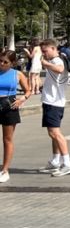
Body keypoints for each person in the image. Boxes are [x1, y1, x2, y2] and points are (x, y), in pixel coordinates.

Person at [38, 39, 70, 177]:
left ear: (53, 48)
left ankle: (67, 164)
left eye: (45, 51)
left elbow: (60, 70)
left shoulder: (57, 61)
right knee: (52, 133)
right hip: (52, 101)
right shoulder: (55, 60)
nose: (44, 54)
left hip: (54, 102)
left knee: (55, 133)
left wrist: (45, 63)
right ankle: (55, 161)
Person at [0, 50, 32, 183]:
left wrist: (22, 99)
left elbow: (28, 90)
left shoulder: (17, 74)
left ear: (12, 63)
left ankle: (5, 170)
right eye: (0, 61)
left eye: (5, 62)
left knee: (7, 139)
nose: (1, 64)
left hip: (9, 107)